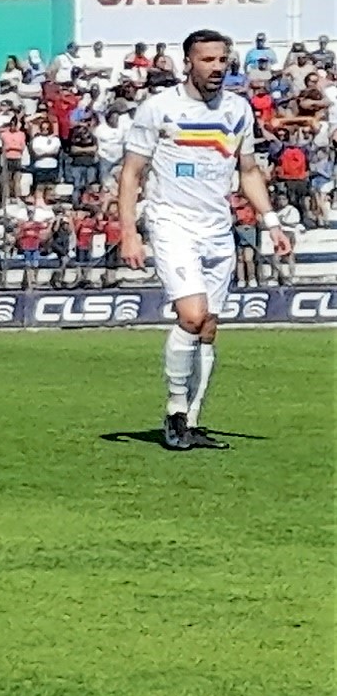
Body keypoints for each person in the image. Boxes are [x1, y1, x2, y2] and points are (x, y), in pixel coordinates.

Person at [117, 27, 270, 452]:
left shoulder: (238, 109)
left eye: (222, 60)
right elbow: (131, 173)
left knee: (208, 327)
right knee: (191, 314)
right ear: (188, 62)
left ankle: (194, 420)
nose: (217, 67)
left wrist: (272, 220)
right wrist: (130, 233)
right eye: (207, 60)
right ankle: (174, 411)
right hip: (172, 222)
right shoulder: (160, 108)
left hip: (217, 228)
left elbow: (249, 171)